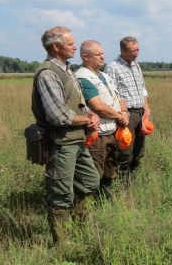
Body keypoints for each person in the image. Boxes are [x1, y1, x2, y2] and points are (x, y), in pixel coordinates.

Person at [31, 27, 100, 246]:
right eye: (70, 43)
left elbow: (76, 105)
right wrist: (88, 120)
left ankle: (80, 231)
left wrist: (89, 114)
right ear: (56, 46)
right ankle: (62, 244)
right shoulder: (48, 73)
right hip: (60, 143)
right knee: (61, 194)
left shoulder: (67, 69)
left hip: (75, 140)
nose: (74, 46)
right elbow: (58, 115)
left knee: (90, 182)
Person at [75, 40, 130, 200]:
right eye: (98, 54)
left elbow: (118, 97)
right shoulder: (83, 78)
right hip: (97, 135)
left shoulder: (104, 76)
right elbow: (97, 106)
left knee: (110, 169)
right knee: (94, 173)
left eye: (103, 53)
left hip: (112, 132)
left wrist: (125, 111)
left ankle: (106, 202)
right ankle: (87, 208)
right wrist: (120, 116)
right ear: (85, 57)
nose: (102, 57)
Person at [104, 36, 151, 175]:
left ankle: (133, 179)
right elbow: (112, 95)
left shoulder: (136, 65)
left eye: (138, 50)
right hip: (126, 114)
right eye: (133, 51)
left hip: (140, 113)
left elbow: (142, 88)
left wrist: (146, 106)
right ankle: (122, 183)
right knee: (125, 149)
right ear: (122, 51)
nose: (136, 53)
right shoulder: (113, 68)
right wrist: (121, 115)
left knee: (138, 149)